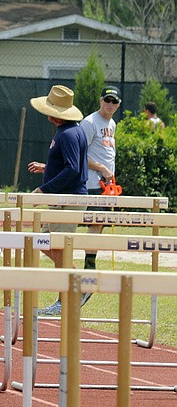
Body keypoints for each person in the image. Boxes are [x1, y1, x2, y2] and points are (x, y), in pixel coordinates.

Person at [27, 85, 88, 316]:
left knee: (58, 247)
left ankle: (72, 293)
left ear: (53, 113)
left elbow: (73, 169)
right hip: (63, 197)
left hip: (68, 199)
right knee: (44, 241)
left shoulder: (70, 133)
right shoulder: (69, 130)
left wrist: (44, 188)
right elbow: (73, 164)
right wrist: (47, 168)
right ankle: (76, 287)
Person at [79, 86, 121, 283]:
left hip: (106, 184)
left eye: (114, 102)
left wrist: (110, 175)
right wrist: (101, 169)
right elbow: (79, 154)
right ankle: (88, 268)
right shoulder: (89, 122)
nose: (110, 104)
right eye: (107, 100)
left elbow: (107, 153)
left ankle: (90, 262)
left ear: (118, 104)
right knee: (94, 223)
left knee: (100, 224)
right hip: (91, 182)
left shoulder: (111, 123)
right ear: (100, 100)